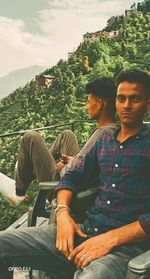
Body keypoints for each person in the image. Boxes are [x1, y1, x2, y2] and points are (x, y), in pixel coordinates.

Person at [0, 69, 150, 279]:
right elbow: (71, 177)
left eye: (135, 99)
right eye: (121, 98)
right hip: (83, 230)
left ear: (148, 103)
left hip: (123, 249)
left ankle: (20, 184)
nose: (126, 105)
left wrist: (111, 239)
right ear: (114, 102)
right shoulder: (105, 142)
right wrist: (62, 214)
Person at [0, 77, 116, 206]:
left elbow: (70, 171)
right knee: (67, 135)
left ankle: (18, 193)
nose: (86, 106)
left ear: (99, 104)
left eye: (88, 102)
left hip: (65, 189)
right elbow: (86, 165)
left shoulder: (102, 134)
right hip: (77, 178)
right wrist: (73, 160)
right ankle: (32, 170)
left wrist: (62, 164)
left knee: (30, 137)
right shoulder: (112, 130)